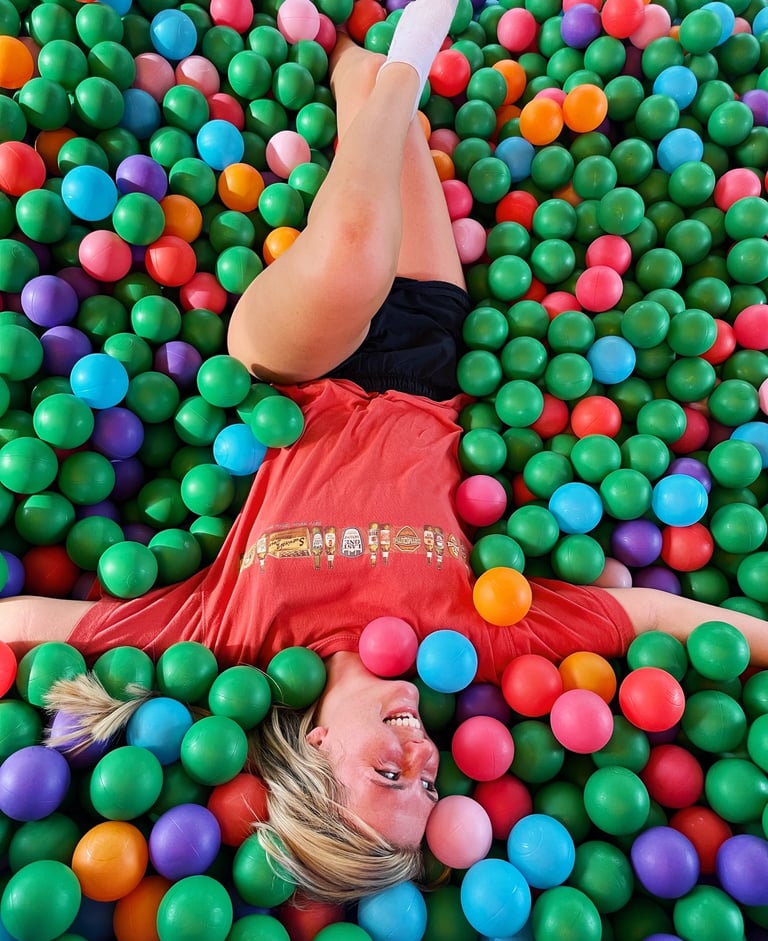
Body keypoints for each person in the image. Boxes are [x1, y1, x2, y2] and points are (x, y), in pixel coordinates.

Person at [3, 0, 768, 903]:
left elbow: (31, 625)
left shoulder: (233, 636)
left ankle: (402, 67)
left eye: (390, 777)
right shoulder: (471, 640)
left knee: (353, 250)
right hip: (422, 356)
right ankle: (357, 62)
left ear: (316, 749)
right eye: (431, 782)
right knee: (364, 79)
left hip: (292, 371)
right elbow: (639, 615)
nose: (421, 754)